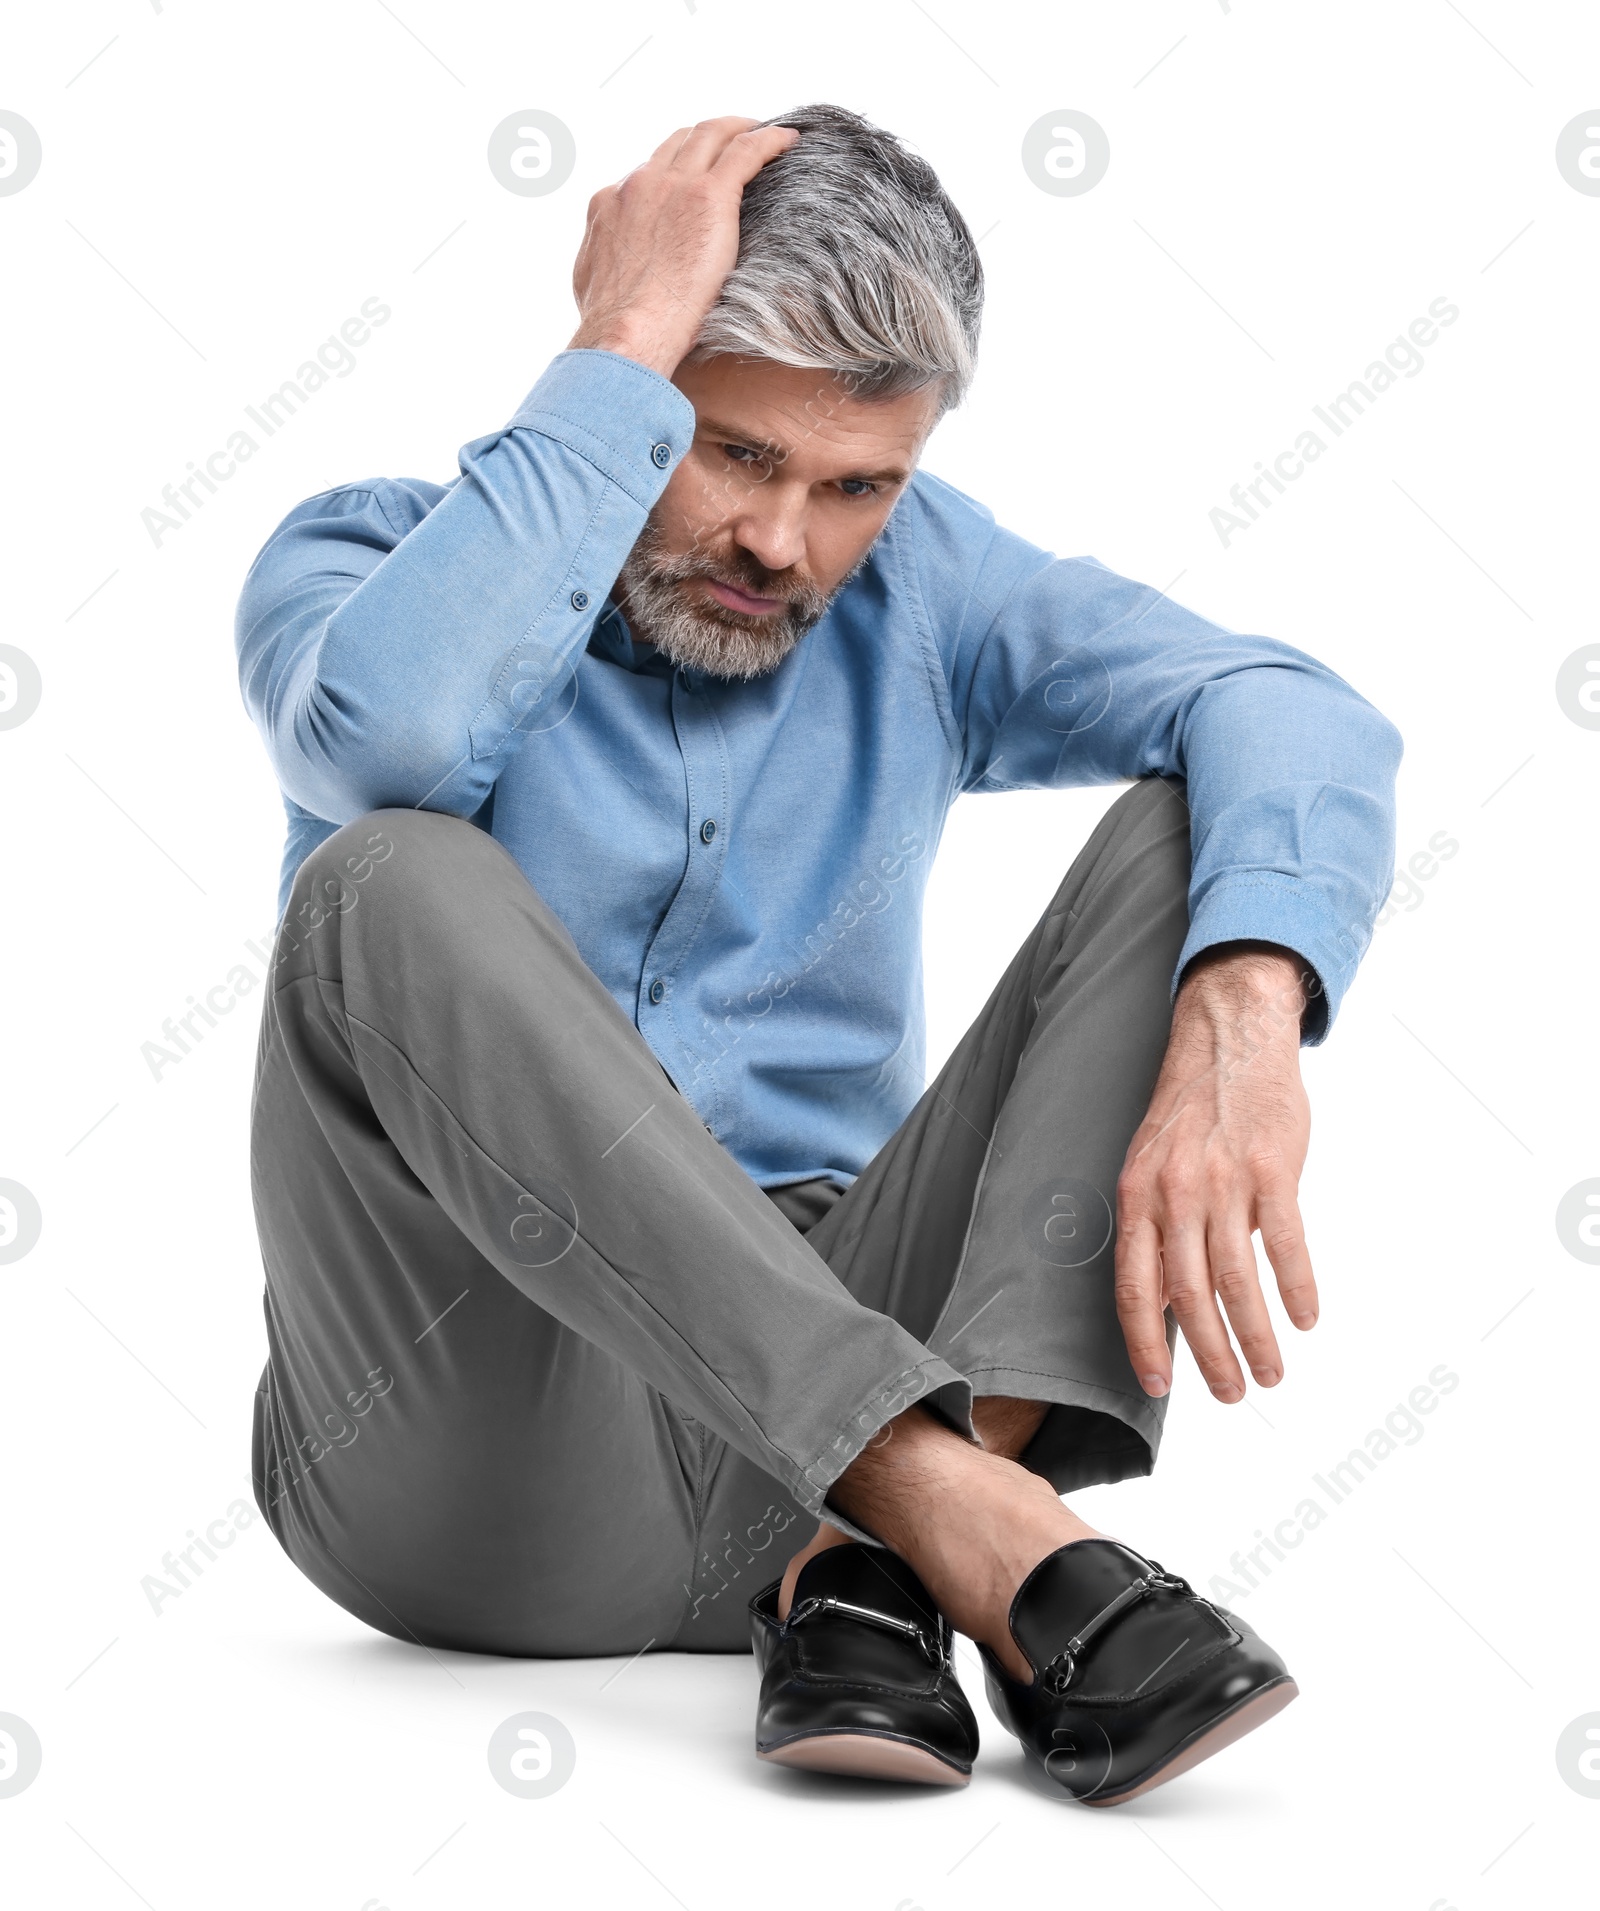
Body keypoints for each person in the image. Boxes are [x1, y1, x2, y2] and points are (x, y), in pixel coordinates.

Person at [235, 105, 1400, 1804]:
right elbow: (389, 745)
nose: (784, 546)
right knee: (387, 879)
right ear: (636, 399)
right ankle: (956, 1522)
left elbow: (1290, 707)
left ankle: (856, 1559)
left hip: (821, 1396)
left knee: (1195, 834)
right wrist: (624, 336)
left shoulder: (916, 590)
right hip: (479, 1457)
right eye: (730, 454)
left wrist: (1245, 1019)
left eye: (855, 486)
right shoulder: (361, 557)